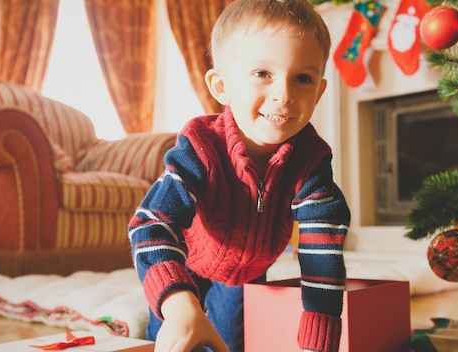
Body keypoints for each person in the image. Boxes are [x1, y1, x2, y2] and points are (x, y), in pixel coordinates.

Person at [127, 0, 350, 351]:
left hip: (248, 271)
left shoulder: (312, 159)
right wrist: (178, 304)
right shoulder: (200, 146)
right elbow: (150, 225)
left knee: (230, 344)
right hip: (189, 263)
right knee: (171, 337)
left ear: (319, 91)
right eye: (263, 74)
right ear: (221, 85)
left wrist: (318, 337)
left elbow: (323, 245)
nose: (284, 95)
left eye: (302, 78)